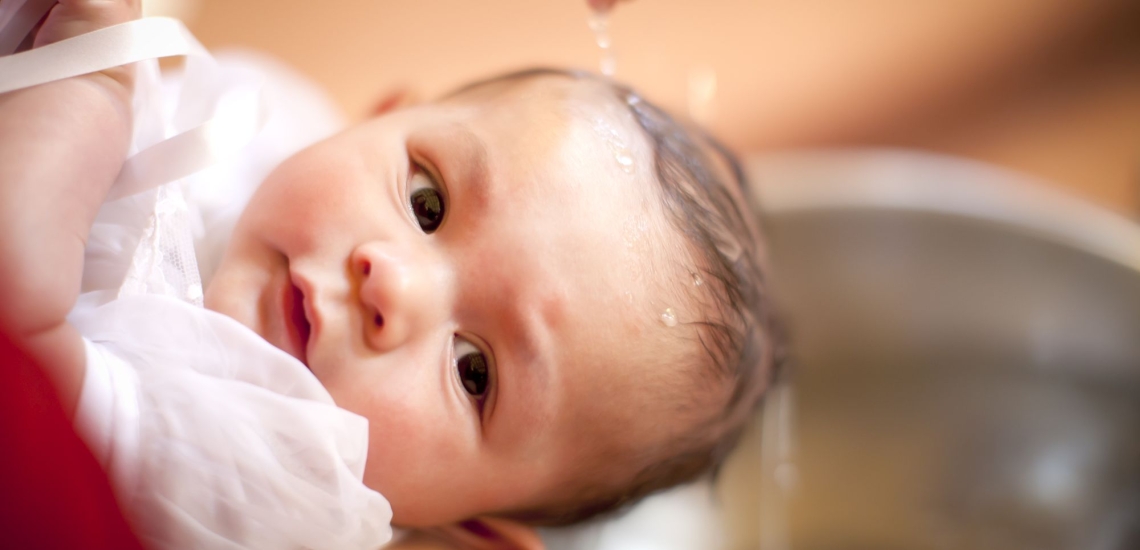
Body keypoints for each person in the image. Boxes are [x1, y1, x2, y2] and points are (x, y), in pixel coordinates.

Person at [0, 1, 780, 548]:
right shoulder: (282, 120)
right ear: (379, 115)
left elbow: (21, 348)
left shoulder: (276, 490)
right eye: (427, 201)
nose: (390, 285)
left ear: (462, 539)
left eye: (474, 372)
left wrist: (89, 79)